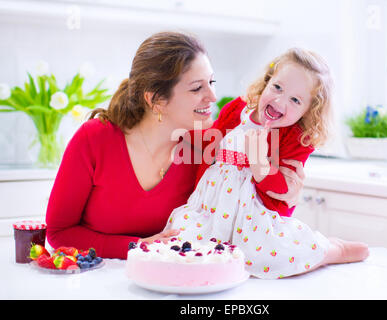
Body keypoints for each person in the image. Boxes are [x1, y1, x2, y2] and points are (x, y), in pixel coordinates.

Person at [45, 31, 306, 259]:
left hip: (175, 281)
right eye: (196, 88)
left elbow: (246, 220)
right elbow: (59, 233)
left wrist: (288, 197)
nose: (213, 96)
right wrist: (135, 247)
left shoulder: (206, 148)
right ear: (157, 100)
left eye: (211, 83)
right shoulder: (95, 139)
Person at [164, 48, 369, 279]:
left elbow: (283, 189)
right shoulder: (238, 109)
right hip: (211, 206)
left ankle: (333, 250)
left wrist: (260, 163)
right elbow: (213, 139)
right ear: (267, 81)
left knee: (271, 257)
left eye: (295, 100)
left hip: (253, 216)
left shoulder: (297, 137)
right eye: (277, 87)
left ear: (308, 110)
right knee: (183, 243)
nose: (280, 101)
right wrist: (180, 131)